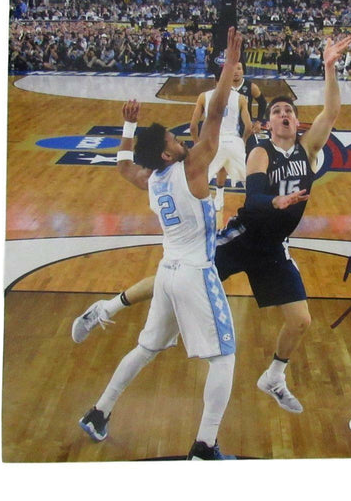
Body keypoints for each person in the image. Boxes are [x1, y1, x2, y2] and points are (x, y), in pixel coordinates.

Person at [73, 34, 351, 416]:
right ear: (268, 123)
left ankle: (274, 376)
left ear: (297, 121)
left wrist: (330, 67)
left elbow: (332, 112)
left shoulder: (307, 150)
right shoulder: (260, 151)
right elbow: (254, 197)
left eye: (289, 110)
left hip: (274, 248)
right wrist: (274, 201)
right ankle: (108, 307)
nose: (284, 114)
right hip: (243, 237)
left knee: (301, 321)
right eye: (277, 111)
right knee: (179, 274)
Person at [74, 27, 243, 460]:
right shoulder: (192, 168)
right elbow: (217, 112)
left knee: (147, 348)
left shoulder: (151, 179)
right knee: (224, 357)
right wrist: (229, 64)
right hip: (194, 274)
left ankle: (99, 412)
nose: (181, 140)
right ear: (168, 155)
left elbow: (122, 166)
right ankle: (205, 446)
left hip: (167, 274)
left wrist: (129, 125)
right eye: (173, 140)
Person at [189, 63, 252, 211]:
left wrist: (197, 143)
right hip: (234, 142)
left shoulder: (203, 96)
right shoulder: (240, 98)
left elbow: (193, 126)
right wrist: (242, 141)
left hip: (213, 142)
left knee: (200, 179)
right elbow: (249, 126)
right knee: (248, 180)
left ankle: (208, 205)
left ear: (215, 80)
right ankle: (255, 207)